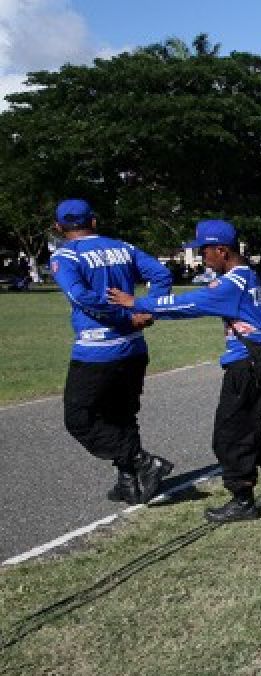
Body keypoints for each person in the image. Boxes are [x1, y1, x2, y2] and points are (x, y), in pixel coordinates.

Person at [108, 220, 261, 523]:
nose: (202, 258)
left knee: (227, 437)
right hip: (254, 362)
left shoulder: (232, 282)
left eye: (204, 251)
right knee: (243, 428)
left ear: (221, 250)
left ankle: (242, 499)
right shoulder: (247, 275)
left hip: (247, 366)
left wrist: (138, 303)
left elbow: (188, 303)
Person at [49, 199, 176, 505]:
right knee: (122, 416)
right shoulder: (123, 247)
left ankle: (142, 462)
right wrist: (146, 309)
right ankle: (128, 482)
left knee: (79, 419)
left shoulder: (65, 256)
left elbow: (80, 297)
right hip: (133, 346)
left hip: (97, 351)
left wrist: (126, 316)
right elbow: (162, 275)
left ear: (58, 227)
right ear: (93, 221)